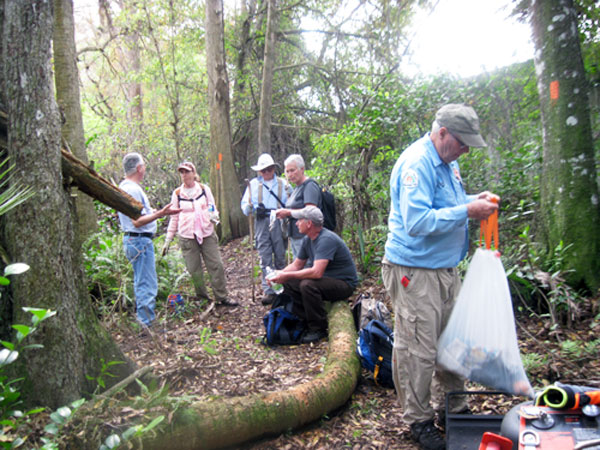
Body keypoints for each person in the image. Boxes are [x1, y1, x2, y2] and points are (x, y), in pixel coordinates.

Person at [381, 103, 500, 450]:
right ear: (442, 132)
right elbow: (417, 222)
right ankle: (419, 420)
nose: (464, 150)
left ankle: (453, 408)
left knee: (454, 341)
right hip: (414, 271)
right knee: (418, 348)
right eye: (462, 143)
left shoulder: (449, 161)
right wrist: (466, 210)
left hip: (445, 269)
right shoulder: (417, 164)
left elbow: (443, 204)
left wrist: (470, 199)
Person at [268, 206, 358, 344]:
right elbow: (297, 265)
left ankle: (318, 328)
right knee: (288, 282)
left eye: (299, 220)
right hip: (326, 280)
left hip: (343, 283)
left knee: (307, 285)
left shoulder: (326, 239)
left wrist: (287, 275)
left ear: (309, 223)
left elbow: (316, 272)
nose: (296, 223)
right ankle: (303, 318)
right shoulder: (308, 239)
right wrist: (278, 275)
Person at [117, 152, 181, 330]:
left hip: (135, 241)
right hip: (139, 241)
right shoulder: (132, 189)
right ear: (139, 168)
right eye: (144, 165)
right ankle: (146, 324)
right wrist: (161, 214)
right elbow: (136, 221)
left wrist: (155, 212)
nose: (145, 169)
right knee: (146, 282)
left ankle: (145, 321)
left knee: (142, 280)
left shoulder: (125, 187)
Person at [162, 161, 238, 307]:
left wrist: (214, 216)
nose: (185, 175)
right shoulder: (177, 194)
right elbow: (174, 218)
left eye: (187, 172)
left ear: (193, 173)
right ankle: (203, 298)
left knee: (216, 265)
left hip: (206, 232)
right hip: (187, 236)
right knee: (194, 269)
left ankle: (221, 297)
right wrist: (168, 240)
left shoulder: (204, 189)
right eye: (182, 172)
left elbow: (212, 208)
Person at [240, 153, 291, 305]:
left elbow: (291, 204)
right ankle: (269, 291)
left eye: (269, 169)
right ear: (259, 171)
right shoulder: (253, 185)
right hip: (261, 222)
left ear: (274, 168)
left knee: (281, 255)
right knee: (265, 256)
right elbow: (244, 207)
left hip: (279, 221)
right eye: (263, 170)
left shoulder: (284, 184)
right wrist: (254, 208)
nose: (266, 173)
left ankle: (283, 288)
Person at [275, 154, 321, 259]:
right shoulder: (296, 188)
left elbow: (310, 211)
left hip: (306, 236)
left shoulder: (309, 186)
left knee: (307, 267)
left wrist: (288, 213)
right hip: (295, 235)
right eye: (287, 172)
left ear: (302, 169)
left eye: (293, 170)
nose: (290, 174)